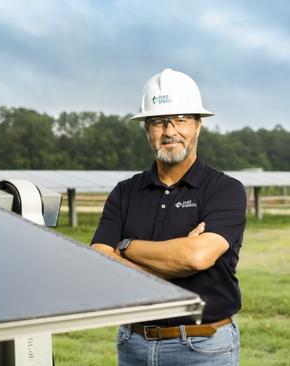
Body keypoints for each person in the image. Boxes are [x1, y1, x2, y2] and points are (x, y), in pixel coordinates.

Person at [91, 68, 247, 365]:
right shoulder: (125, 192)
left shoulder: (225, 190)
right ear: (147, 130)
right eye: (159, 122)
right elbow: (98, 263)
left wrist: (125, 247)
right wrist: (175, 264)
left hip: (203, 346)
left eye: (181, 119)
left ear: (198, 126)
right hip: (134, 342)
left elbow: (196, 257)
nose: (170, 131)